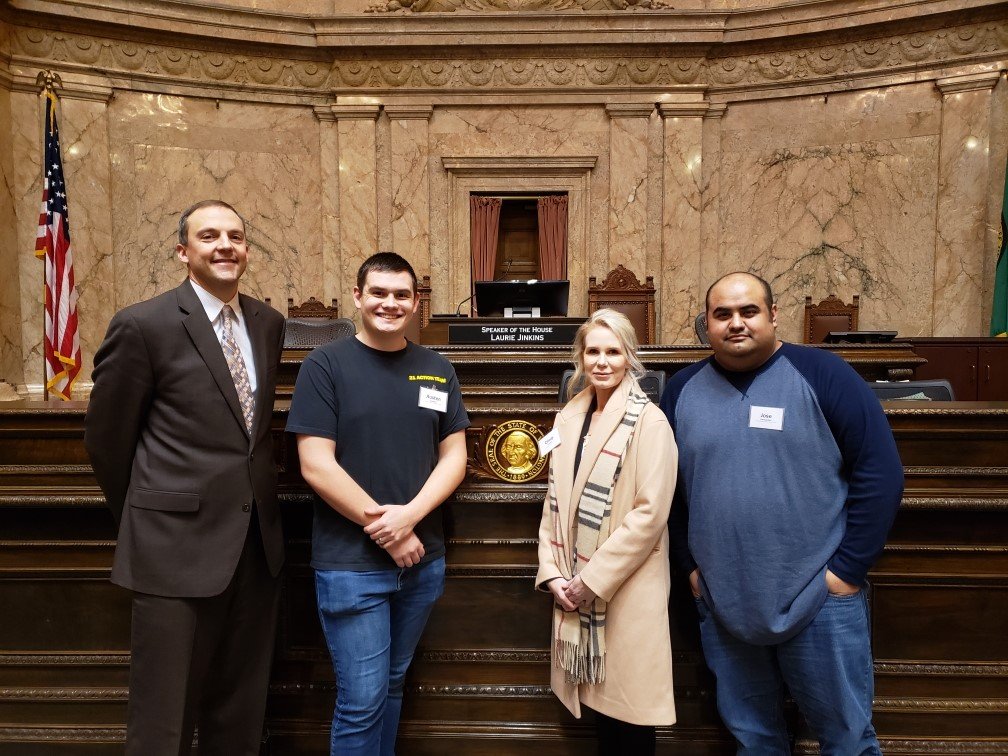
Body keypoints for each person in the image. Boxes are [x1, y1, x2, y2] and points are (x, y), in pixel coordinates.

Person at [660, 272, 904, 754]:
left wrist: (846, 571)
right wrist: (690, 570)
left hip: (820, 599)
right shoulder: (681, 390)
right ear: (705, 325)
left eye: (748, 311)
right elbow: (667, 493)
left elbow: (881, 473)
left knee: (847, 741)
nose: (736, 323)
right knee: (755, 741)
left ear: (773, 316)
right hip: (724, 602)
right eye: (722, 314)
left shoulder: (824, 374)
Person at [84, 200, 286, 756]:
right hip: (171, 550)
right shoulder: (142, 324)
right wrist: (151, 517)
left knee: (239, 714)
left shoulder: (268, 323)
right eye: (210, 236)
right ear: (183, 252)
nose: (226, 245)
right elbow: (107, 442)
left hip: (255, 549)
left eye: (236, 236)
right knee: (162, 719)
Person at [286, 252, 469, 756]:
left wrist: (409, 520)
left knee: (391, 687)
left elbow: (454, 456)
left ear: (415, 303)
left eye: (401, 295)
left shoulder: (436, 369)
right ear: (358, 297)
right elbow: (315, 465)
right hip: (352, 567)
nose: (390, 303)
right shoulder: (325, 364)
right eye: (379, 293)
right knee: (361, 701)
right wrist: (388, 529)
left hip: (421, 561)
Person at [536, 308, 678, 755]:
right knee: (602, 710)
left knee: (630, 710)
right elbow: (553, 504)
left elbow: (649, 515)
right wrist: (553, 573)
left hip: (626, 584)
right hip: (573, 581)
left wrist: (590, 581)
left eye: (613, 351)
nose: (602, 361)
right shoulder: (568, 418)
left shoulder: (650, 422)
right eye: (592, 351)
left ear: (630, 357)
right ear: (579, 357)